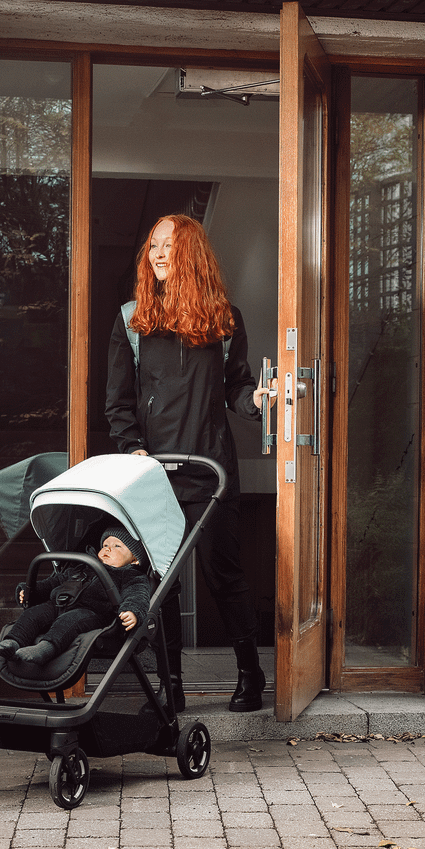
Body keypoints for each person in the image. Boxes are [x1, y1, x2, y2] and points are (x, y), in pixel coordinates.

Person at [105, 214, 270, 713]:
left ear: (191, 255)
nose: (156, 253)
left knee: (225, 575)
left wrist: (256, 400)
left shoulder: (224, 320)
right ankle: (170, 684)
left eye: (169, 246)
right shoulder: (133, 320)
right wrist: (132, 447)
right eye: (152, 245)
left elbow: (236, 386)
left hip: (211, 472)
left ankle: (250, 675)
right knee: (160, 583)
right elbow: (117, 403)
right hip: (155, 476)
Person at [0, 527, 150, 665]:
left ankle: (45, 649)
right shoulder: (82, 566)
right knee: (33, 613)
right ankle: (12, 642)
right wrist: (30, 591)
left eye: (117, 546)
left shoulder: (130, 575)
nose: (108, 549)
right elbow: (53, 583)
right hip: (57, 604)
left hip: (91, 613)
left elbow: (138, 595)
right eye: (105, 545)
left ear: (134, 559)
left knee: (69, 620)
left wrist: (132, 611)